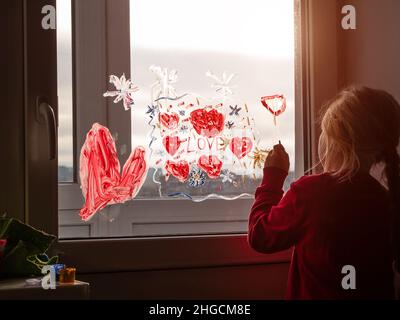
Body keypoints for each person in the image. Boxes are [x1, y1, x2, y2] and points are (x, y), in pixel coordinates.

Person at [248, 86, 400, 299]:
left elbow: (261, 235)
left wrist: (273, 178)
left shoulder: (311, 193)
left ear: (336, 143)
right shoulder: (386, 200)